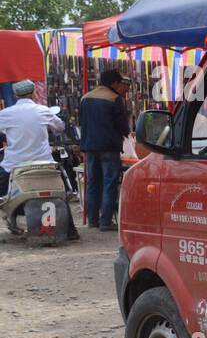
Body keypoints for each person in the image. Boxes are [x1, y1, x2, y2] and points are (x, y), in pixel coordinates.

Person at [0, 80, 80, 239]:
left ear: (15, 95)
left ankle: (9, 214)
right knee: (62, 193)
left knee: (3, 191)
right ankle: (71, 231)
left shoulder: (6, 113)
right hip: (44, 164)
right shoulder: (43, 110)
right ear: (33, 93)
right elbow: (60, 127)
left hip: (15, 165)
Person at [80, 68, 133, 232]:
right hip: (109, 147)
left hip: (89, 147)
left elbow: (83, 122)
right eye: (119, 84)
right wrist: (128, 134)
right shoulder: (114, 98)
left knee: (92, 183)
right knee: (109, 183)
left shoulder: (85, 98)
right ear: (114, 83)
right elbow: (122, 125)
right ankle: (106, 222)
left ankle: (93, 221)